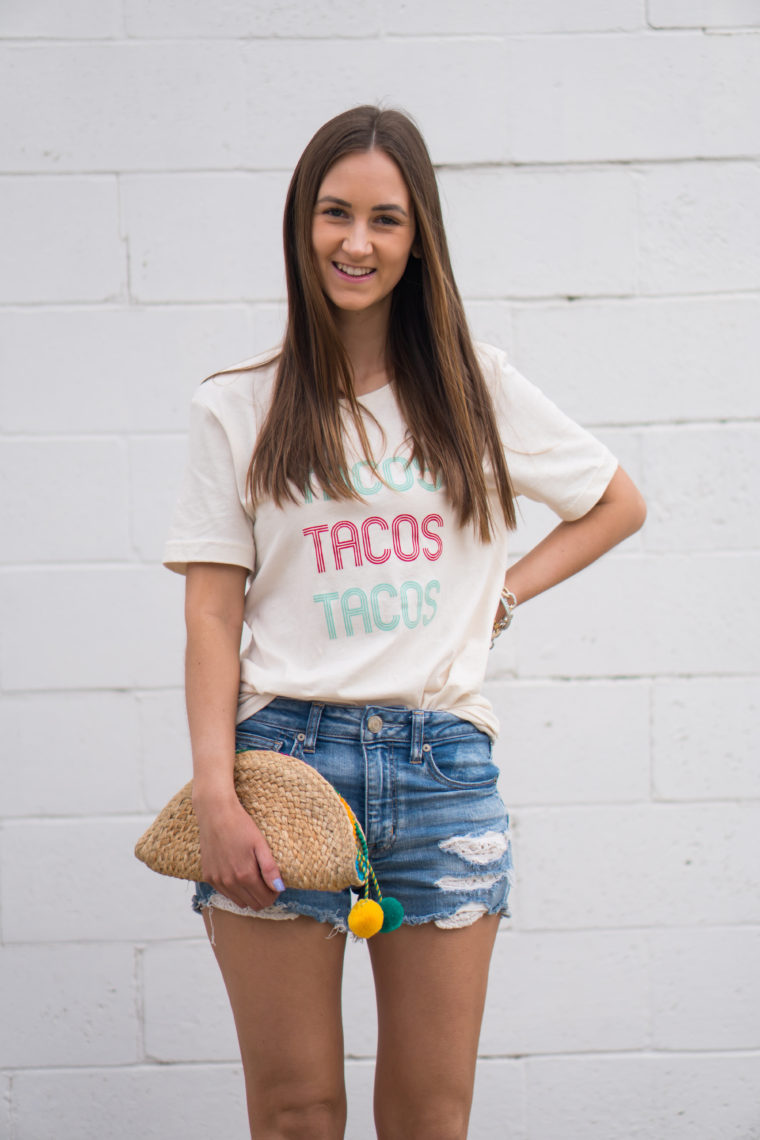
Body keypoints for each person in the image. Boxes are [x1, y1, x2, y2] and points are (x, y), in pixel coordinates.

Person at [163, 105, 646, 1140]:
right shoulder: (236, 408)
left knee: (430, 1118)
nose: (355, 242)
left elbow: (616, 502)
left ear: (416, 236)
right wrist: (214, 793)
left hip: (441, 772)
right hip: (280, 767)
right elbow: (212, 611)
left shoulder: (477, 391)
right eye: (334, 214)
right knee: (295, 1113)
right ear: (303, 226)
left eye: (384, 219)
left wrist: (499, 600)